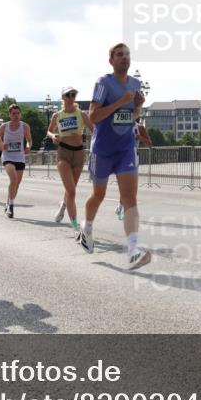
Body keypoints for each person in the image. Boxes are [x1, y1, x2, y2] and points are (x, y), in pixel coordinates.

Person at [78, 42, 151, 269]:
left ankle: (133, 250)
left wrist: (137, 106)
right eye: (120, 55)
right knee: (98, 195)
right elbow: (94, 116)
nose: (125, 58)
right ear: (111, 60)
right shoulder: (104, 83)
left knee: (130, 198)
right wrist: (120, 102)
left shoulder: (136, 84)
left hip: (126, 148)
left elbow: (132, 117)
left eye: (127, 55)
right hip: (103, 150)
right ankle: (87, 228)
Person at [49, 86, 94, 232]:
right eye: (69, 94)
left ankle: (63, 206)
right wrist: (52, 136)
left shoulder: (81, 114)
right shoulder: (57, 115)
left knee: (71, 189)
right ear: (63, 97)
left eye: (74, 94)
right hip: (64, 152)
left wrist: (90, 137)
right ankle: (75, 224)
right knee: (72, 191)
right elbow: (49, 130)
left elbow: (95, 130)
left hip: (79, 153)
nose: (72, 96)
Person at [0, 105, 31, 219]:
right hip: (8, 157)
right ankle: (11, 206)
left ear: (20, 114)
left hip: (20, 157)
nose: (16, 116)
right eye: (13, 113)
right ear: (9, 115)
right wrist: (1, 145)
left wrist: (28, 146)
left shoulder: (25, 126)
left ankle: (8, 201)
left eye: (18, 113)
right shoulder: (4, 126)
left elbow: (29, 140)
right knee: (13, 179)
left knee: (17, 184)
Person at [115, 121, 151, 221]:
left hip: (134, 158)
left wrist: (140, 138)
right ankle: (123, 209)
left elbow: (149, 144)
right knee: (124, 186)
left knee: (130, 187)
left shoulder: (139, 127)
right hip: (121, 157)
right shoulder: (120, 124)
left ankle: (121, 207)